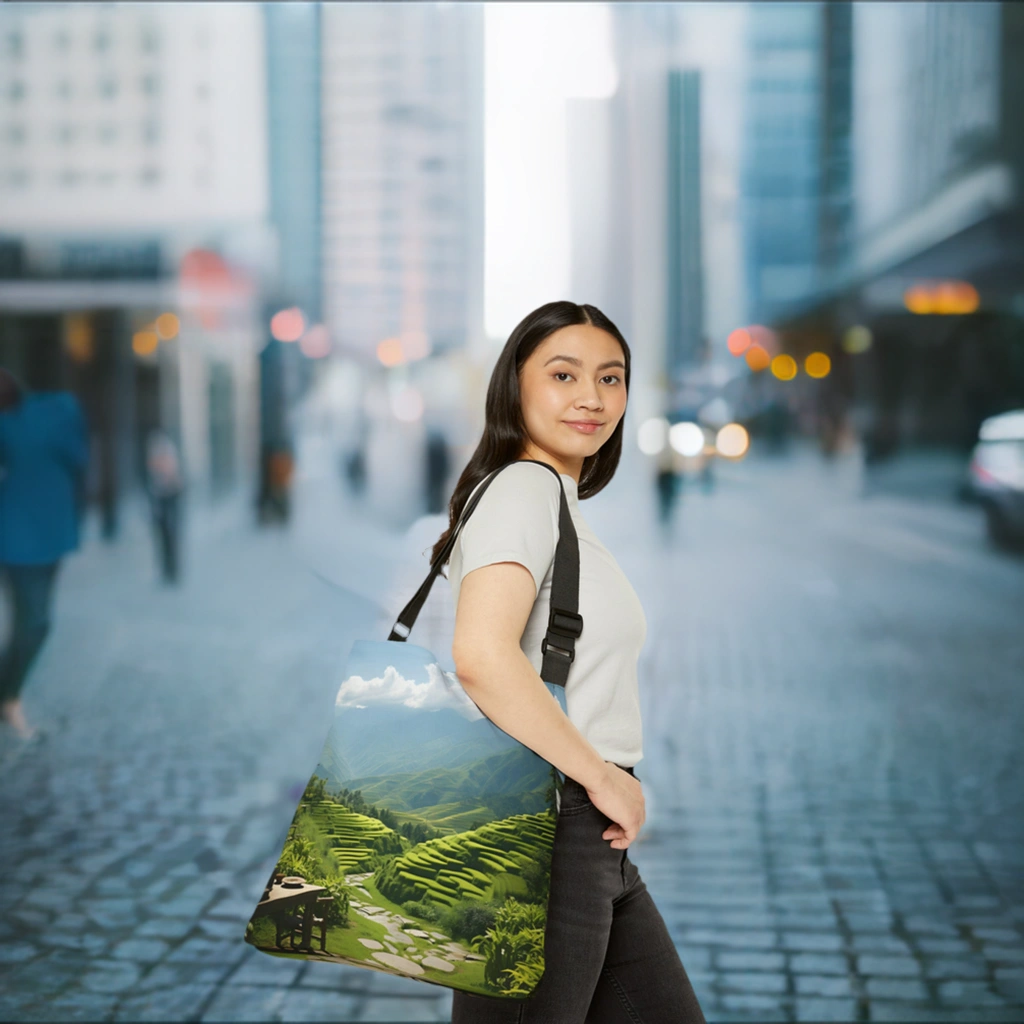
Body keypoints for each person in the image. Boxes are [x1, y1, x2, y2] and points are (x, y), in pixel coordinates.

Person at [431, 302, 706, 1023]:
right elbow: (482, 657)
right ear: (514, 388)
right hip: (548, 825)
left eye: (611, 378)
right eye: (563, 374)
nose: (592, 397)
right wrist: (602, 776)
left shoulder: (554, 497)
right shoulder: (524, 488)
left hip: (585, 839)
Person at [0, 369, 89, 742]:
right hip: (20, 537)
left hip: (43, 531)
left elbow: (78, 458)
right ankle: (9, 698)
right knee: (35, 622)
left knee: (34, 622)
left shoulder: (56, 411)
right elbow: (78, 459)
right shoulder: (59, 410)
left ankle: (8, 697)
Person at [145, 429, 185, 583]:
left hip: (169, 496)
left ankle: (172, 570)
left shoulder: (166, 449)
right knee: (164, 535)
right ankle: (168, 570)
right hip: (161, 496)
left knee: (171, 535)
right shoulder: (158, 450)